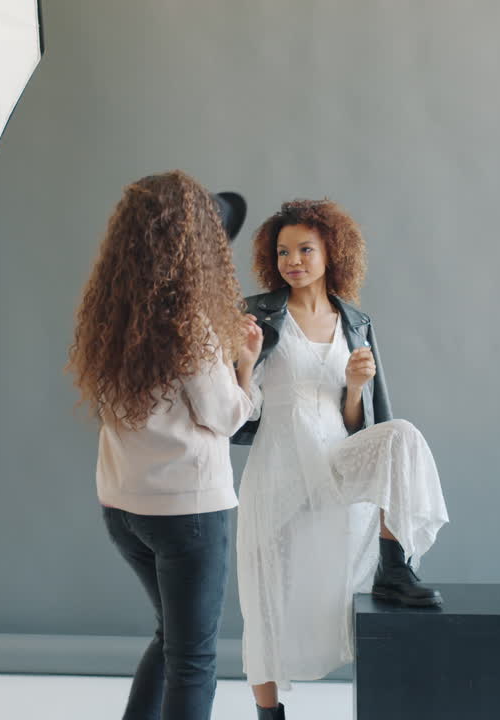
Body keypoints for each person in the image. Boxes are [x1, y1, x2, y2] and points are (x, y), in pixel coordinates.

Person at [233, 199, 449, 719]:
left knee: (401, 436)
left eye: (305, 249)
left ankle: (394, 567)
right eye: (283, 252)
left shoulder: (354, 321)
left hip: (334, 457)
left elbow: (356, 421)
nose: (293, 261)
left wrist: (354, 386)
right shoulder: (256, 314)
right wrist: (243, 362)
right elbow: (242, 410)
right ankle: (268, 714)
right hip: (280, 465)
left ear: (332, 252)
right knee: (265, 600)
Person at [68, 170, 262, 720]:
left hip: (123, 508)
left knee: (171, 638)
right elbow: (226, 416)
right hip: (187, 512)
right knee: (193, 659)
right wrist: (246, 365)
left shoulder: (110, 315)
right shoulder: (191, 324)